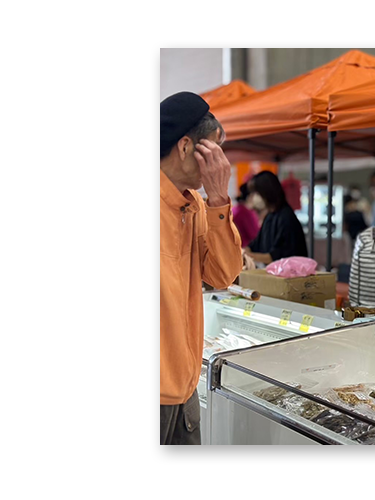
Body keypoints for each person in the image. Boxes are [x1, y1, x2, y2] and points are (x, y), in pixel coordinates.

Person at [157, 92, 241, 445]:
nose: (220, 161)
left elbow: (223, 275)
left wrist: (219, 200)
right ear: (187, 146)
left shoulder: (194, 205)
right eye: (214, 149)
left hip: (186, 383)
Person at [243, 171, 308, 266]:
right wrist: (245, 251)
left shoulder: (286, 217)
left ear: (267, 192)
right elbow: (255, 245)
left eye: (256, 193)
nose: (254, 197)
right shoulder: (270, 216)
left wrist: (248, 255)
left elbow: (276, 256)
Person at [231, 182, 260, 247]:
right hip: (245, 249)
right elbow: (255, 235)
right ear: (251, 196)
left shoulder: (235, 209)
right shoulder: (246, 213)